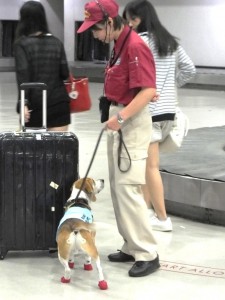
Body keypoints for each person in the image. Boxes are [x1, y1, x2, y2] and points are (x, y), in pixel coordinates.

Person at [77, 0, 160, 278]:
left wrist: (121, 117)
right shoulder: (120, 46)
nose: (95, 35)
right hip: (120, 119)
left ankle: (147, 252)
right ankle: (131, 244)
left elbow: (147, 91)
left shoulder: (135, 47)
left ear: (110, 22)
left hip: (130, 124)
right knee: (117, 187)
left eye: (96, 29)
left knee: (129, 188)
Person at [123, 0, 196, 232]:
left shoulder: (139, 42)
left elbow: (132, 77)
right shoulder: (169, 42)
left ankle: (162, 219)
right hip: (169, 111)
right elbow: (189, 69)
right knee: (148, 166)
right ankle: (145, 212)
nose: (127, 25)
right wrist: (170, 87)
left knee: (151, 167)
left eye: (129, 20)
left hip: (149, 112)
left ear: (136, 19)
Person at [14, 0, 70, 131]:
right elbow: (65, 74)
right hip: (59, 104)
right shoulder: (56, 42)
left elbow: (23, 77)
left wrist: (23, 103)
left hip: (35, 106)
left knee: (34, 150)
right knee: (58, 150)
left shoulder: (22, 44)